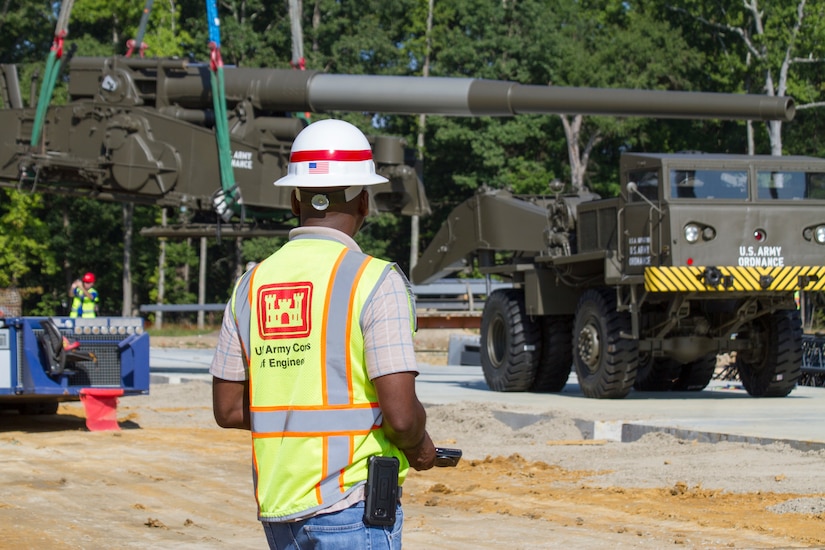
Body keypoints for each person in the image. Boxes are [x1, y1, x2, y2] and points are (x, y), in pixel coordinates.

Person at [210, 119, 436, 549]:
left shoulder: (250, 284)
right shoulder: (376, 281)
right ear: (364, 201)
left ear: (295, 199)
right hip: (352, 507)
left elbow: (227, 409)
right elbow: (402, 416)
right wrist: (421, 446)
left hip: (280, 509)